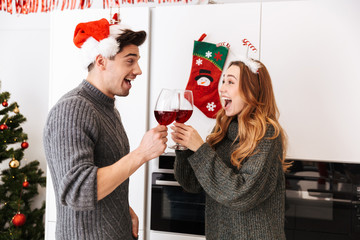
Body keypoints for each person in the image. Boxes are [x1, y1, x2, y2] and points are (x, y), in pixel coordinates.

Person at [43, 18, 168, 240]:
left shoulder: (106, 108)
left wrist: (122, 210)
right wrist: (141, 153)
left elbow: (105, 173)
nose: (138, 70)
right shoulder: (73, 108)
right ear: (101, 61)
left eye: (137, 61)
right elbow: (78, 191)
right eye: (130, 61)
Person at [171, 57, 291, 239]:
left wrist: (201, 149)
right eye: (223, 81)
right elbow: (193, 185)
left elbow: (241, 195)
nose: (222, 88)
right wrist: (185, 149)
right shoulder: (222, 128)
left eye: (230, 82)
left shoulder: (267, 133)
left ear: (252, 90)